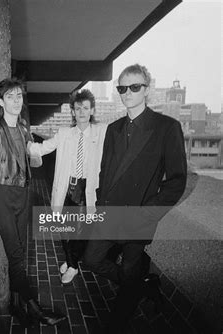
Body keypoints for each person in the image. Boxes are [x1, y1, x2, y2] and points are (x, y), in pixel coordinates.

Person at [83, 64, 187, 332]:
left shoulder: (166, 127)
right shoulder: (114, 128)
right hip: (109, 212)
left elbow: (176, 181)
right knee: (91, 260)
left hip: (139, 215)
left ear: (147, 89)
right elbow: (105, 171)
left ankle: (117, 320)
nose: (127, 92)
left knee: (130, 271)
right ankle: (141, 285)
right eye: (122, 88)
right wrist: (99, 202)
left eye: (134, 87)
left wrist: (147, 214)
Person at [0, 78, 66, 328]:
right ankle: (34, 307)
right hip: (3, 196)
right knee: (17, 255)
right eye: (10, 96)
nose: (16, 100)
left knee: (20, 255)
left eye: (19, 96)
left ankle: (15, 304)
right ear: (0, 102)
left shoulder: (22, 128)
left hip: (24, 195)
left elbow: (28, 158)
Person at [28, 89, 107, 284]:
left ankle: (72, 266)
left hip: (87, 189)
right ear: (72, 111)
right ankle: (72, 261)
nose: (81, 112)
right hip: (67, 187)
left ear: (92, 110)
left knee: (81, 230)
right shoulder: (64, 133)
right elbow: (43, 148)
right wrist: (21, 144)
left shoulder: (101, 132)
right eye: (77, 108)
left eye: (85, 108)